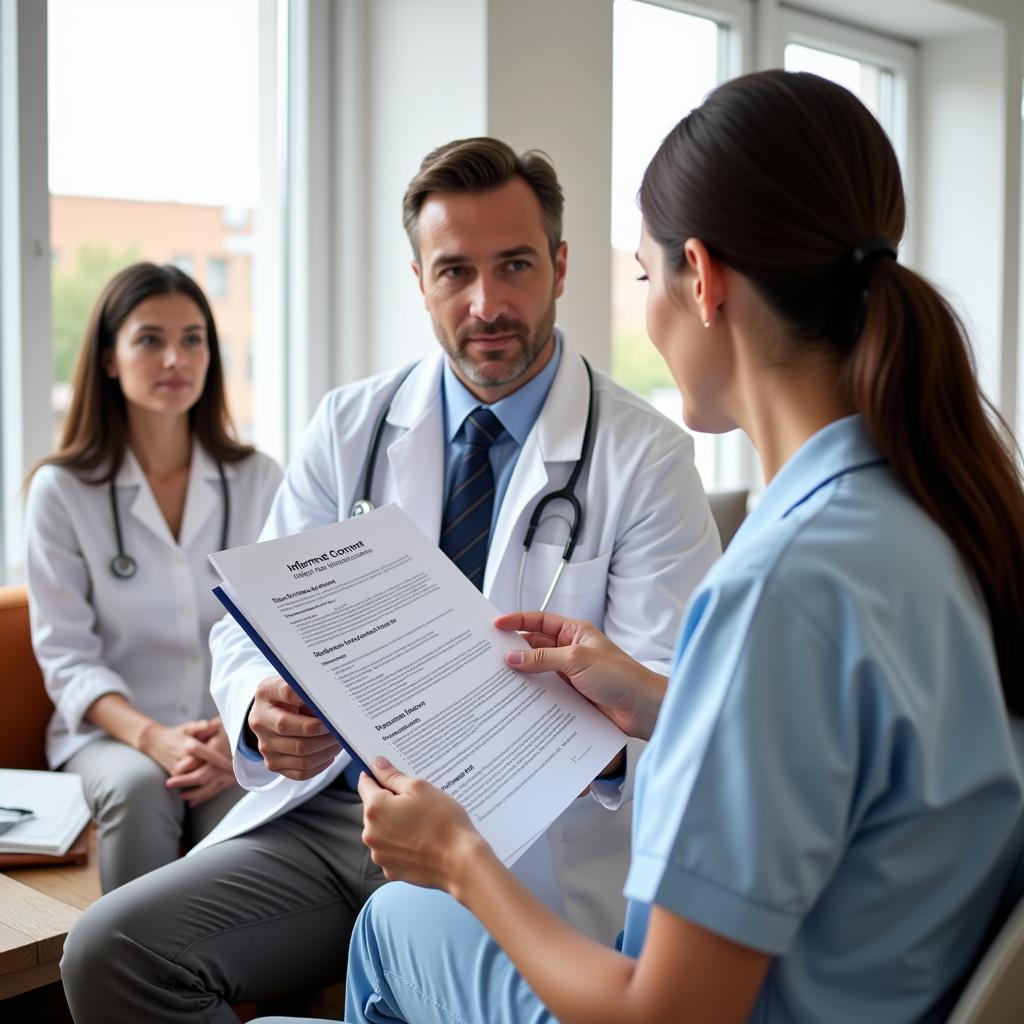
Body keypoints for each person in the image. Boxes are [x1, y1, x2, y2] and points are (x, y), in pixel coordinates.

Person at [258, 70, 1024, 1024]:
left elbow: (666, 1015)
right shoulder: (933, 512)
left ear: (699, 279)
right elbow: (839, 746)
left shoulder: (781, 587)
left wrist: (455, 858)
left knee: (395, 918)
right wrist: (668, 702)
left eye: (643, 277)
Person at [59, 138, 720, 1021]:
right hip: (339, 813)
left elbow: (676, 703)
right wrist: (261, 712)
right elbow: (245, 622)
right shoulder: (351, 426)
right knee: (111, 951)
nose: (486, 303)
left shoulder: (645, 457)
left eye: (515, 265)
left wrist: (580, 743)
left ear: (560, 266)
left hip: (515, 845)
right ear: (419, 280)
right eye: (454, 271)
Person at [25, 262, 282, 893]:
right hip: (111, 735)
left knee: (257, 814)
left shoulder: (257, 479)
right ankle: (125, 984)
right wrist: (153, 738)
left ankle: (234, 991)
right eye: (149, 339)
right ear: (109, 358)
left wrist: (237, 737)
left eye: (193, 338)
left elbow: (285, 632)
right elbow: (65, 656)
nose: (176, 357)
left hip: (230, 734)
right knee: (141, 789)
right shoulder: (62, 491)